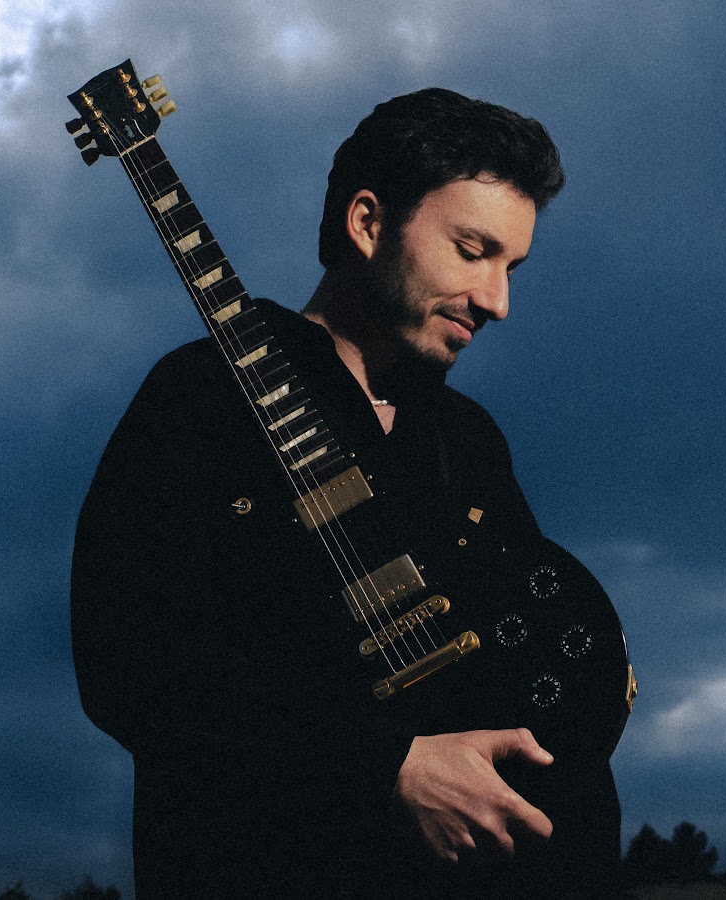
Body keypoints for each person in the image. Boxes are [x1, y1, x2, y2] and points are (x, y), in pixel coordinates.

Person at [71, 88, 626, 898]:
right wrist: (384, 766)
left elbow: (525, 677)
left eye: (511, 268)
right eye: (472, 251)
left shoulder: (468, 441)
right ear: (367, 223)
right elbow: (126, 663)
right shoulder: (196, 398)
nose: (498, 301)